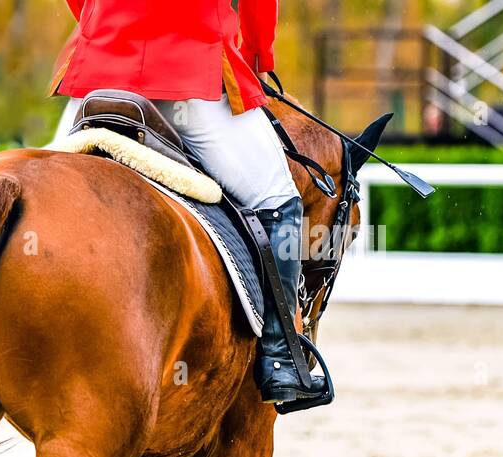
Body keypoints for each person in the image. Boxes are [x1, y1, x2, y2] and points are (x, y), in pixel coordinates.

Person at [50, 0, 322, 404]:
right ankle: (280, 358)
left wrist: (108, 22)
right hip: (190, 73)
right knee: (278, 201)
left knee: (44, 191)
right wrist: (257, 56)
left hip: (98, 77)